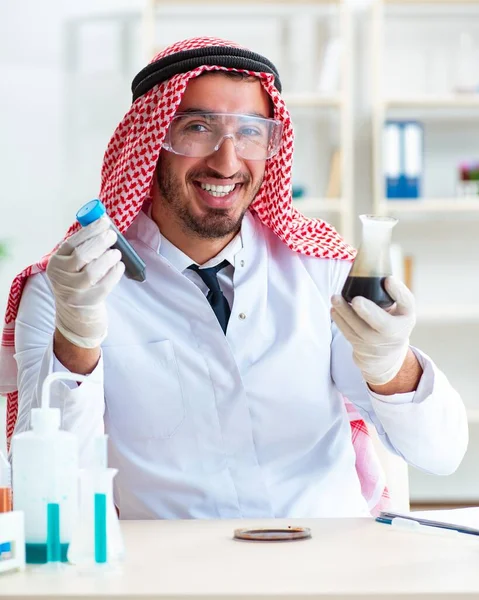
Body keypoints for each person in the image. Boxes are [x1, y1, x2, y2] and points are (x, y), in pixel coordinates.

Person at [0, 37, 468, 520]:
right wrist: (75, 339)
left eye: (249, 132)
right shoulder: (72, 286)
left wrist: (392, 367)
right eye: (197, 128)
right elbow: (46, 494)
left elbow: (443, 453)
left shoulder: (320, 268)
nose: (226, 162)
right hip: (171, 580)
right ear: (151, 139)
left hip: (329, 566)